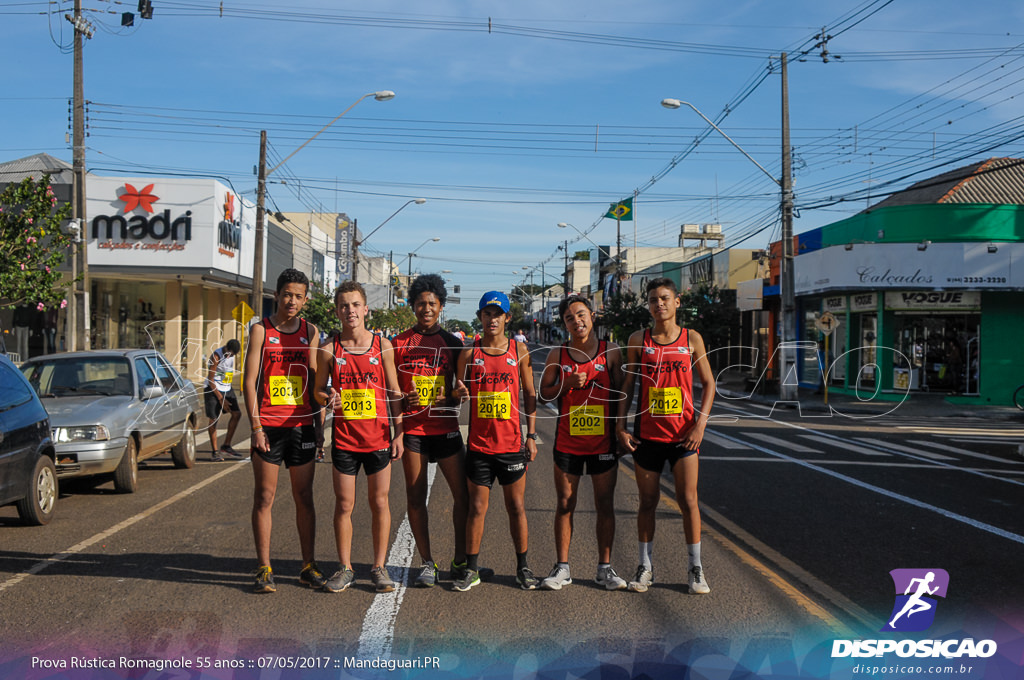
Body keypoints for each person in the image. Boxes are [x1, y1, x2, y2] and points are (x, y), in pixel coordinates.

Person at [616, 277, 715, 595]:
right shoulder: (637, 339)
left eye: (664, 298)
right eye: (653, 300)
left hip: (685, 437)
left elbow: (709, 384)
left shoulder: (692, 339)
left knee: (688, 500)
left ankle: (695, 568)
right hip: (648, 437)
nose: (659, 304)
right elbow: (628, 386)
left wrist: (699, 425)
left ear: (677, 302)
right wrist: (621, 425)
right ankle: (645, 567)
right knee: (647, 502)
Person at [392, 274, 492, 587]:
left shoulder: (453, 344)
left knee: (462, 496)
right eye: (420, 303)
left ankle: (460, 559)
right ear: (412, 306)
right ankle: (426, 563)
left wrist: (448, 396)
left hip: (447, 431)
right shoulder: (397, 344)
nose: (426, 308)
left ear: (441, 307)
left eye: (432, 304)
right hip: (414, 432)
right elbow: (389, 391)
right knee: (415, 498)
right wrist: (403, 398)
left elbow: (462, 393)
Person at [313, 281, 404, 594]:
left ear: (366, 309)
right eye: (344, 305)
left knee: (380, 502)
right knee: (344, 505)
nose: (350, 311)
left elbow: (394, 393)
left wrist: (399, 433)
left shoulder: (383, 346)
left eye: (355, 305)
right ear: (337, 311)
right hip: (345, 440)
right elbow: (317, 390)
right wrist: (328, 398)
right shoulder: (328, 350)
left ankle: (379, 567)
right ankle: (345, 567)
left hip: (378, 438)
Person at [242, 268, 325, 594]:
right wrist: (256, 426)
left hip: (302, 426)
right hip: (270, 428)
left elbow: (316, 383)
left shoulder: (311, 331)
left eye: (299, 296)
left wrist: (319, 428)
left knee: (304, 497)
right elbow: (249, 381)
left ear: (306, 300)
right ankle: (264, 567)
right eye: (287, 294)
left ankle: (308, 565)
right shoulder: (261, 330)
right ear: (277, 295)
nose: (292, 301)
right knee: (264, 497)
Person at [538, 295, 628, 591]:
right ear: (564, 324)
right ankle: (562, 567)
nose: (576, 321)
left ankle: (605, 568)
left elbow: (621, 394)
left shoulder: (611, 352)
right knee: (565, 504)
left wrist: (621, 430)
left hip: (602, 444)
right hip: (567, 443)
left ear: (592, 315)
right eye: (569, 318)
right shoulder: (558, 354)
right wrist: (566, 384)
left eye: (580, 315)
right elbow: (544, 395)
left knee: (604, 504)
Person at [452, 291, 539, 592]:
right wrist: (458, 394)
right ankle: (471, 569)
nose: (492, 319)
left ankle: (523, 568)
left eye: (498, 314)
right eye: (487, 314)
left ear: (507, 318)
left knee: (516, 507)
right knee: (477, 508)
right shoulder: (469, 352)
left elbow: (530, 395)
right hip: (479, 446)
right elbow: (455, 390)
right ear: (480, 318)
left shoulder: (519, 350)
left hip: (512, 446)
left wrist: (532, 435)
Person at [205, 339, 244, 461]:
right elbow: (211, 380)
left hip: (226, 387)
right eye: (229, 354)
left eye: (232, 355)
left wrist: (227, 392)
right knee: (214, 419)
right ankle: (215, 452)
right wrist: (221, 398)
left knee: (237, 414)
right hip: (212, 389)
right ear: (226, 348)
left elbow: (227, 373)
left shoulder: (232, 356)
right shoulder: (216, 356)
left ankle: (226, 446)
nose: (230, 356)